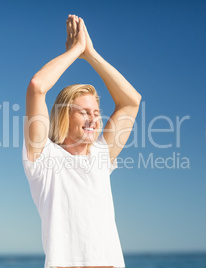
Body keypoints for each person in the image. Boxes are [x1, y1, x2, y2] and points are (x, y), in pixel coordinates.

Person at [22, 14, 141, 268]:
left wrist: (91, 55)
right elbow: (37, 87)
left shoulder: (100, 157)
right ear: (64, 114)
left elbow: (131, 101)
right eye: (84, 112)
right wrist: (75, 51)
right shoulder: (44, 159)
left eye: (97, 113)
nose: (94, 119)